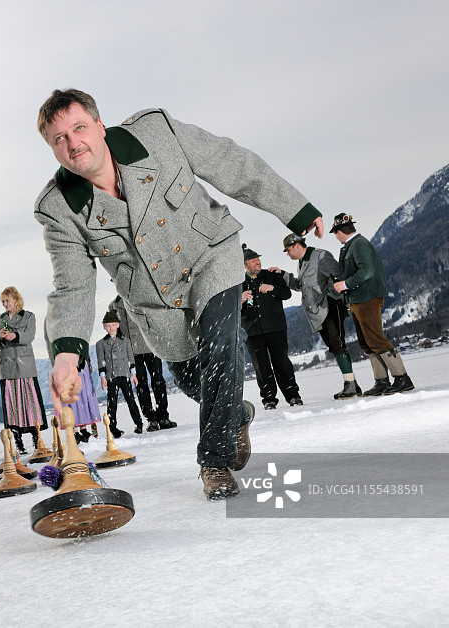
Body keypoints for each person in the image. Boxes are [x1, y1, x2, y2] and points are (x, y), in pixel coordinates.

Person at [34, 89, 321, 499]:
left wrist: (294, 207)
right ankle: (237, 413)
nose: (73, 143)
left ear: (99, 125)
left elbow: (231, 163)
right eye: (58, 138)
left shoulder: (157, 132)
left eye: (79, 128)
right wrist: (66, 353)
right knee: (194, 382)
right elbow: (73, 284)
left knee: (223, 346)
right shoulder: (59, 208)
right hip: (154, 302)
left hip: (210, 257)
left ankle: (214, 461)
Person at [269, 233, 362, 399]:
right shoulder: (302, 263)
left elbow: (339, 277)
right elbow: (300, 285)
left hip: (331, 307)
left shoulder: (321, 256)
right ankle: (352, 384)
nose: (288, 254)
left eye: (288, 250)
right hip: (318, 312)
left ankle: (350, 385)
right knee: (334, 347)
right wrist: (283, 274)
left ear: (297, 245)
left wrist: (331, 297)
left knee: (337, 344)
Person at [331, 213, 415, 395]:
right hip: (358, 299)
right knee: (366, 341)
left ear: (339, 232)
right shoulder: (352, 246)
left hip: (367, 298)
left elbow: (367, 270)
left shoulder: (359, 244)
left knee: (375, 338)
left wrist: (344, 284)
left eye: (335, 233)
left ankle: (402, 378)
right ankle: (382, 381)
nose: (336, 237)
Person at [241, 244, 303, 410]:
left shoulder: (271, 275)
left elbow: (287, 293)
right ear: (245, 265)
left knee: (282, 362)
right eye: (252, 260)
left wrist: (272, 288)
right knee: (261, 367)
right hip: (252, 331)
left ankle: (293, 396)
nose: (257, 262)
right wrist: (239, 300)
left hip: (276, 328)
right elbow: (229, 309)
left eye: (258, 259)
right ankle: (269, 399)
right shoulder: (238, 283)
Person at [0, 286, 48, 455]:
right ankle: (17, 441)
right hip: (7, 367)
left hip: (24, 366)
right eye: (2, 301)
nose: (5, 304)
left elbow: (30, 336)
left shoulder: (29, 316)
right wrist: (0, 338)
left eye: (7, 300)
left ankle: (36, 436)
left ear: (16, 300)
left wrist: (15, 335)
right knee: (12, 405)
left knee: (30, 402)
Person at [109, 295, 172, 431]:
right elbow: (113, 332)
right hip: (132, 352)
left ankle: (163, 416)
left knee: (158, 381)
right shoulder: (114, 306)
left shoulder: (143, 296)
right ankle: (151, 419)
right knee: (140, 384)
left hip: (151, 346)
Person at [95, 311, 142, 436]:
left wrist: (133, 374)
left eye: (113, 325)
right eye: (108, 325)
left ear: (118, 325)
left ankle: (139, 423)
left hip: (125, 374)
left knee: (130, 400)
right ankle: (112, 427)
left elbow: (130, 358)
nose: (111, 328)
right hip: (111, 376)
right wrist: (103, 377)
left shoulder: (125, 341)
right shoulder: (101, 344)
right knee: (112, 403)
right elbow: (101, 362)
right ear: (104, 327)